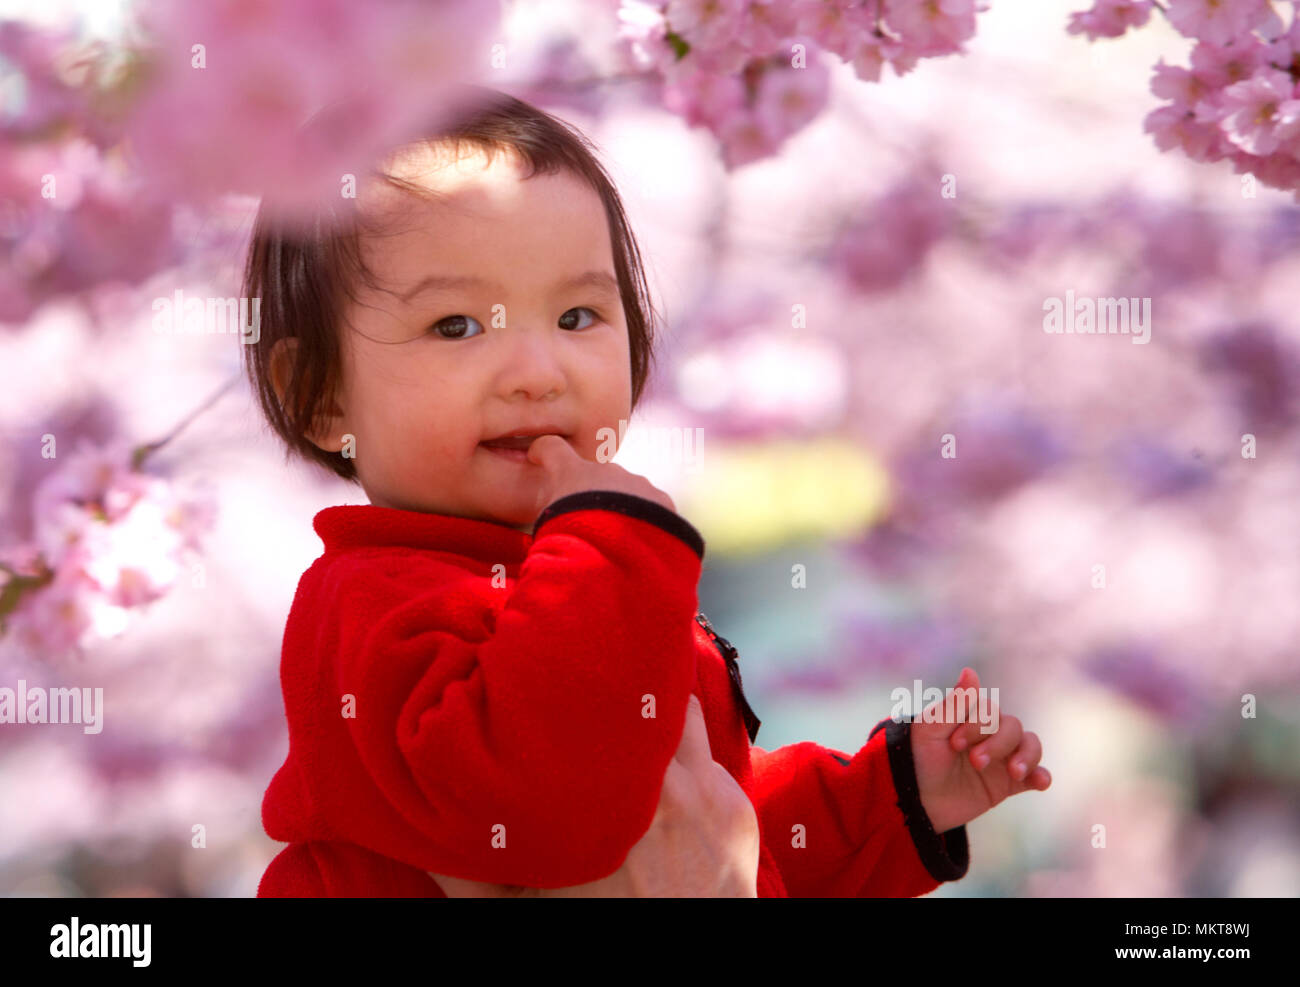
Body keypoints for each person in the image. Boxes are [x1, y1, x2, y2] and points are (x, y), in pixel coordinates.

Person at [246, 85, 1049, 897]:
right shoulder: (369, 602)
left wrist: (891, 798)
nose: (538, 373)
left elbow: (707, 830)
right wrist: (606, 550)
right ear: (322, 395)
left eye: (578, 316)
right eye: (457, 325)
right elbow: (546, 808)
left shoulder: (580, 578)